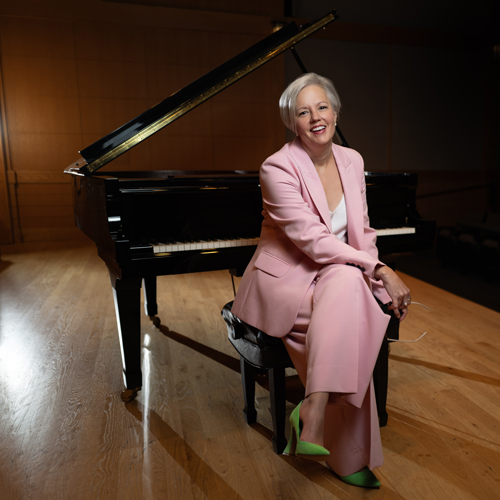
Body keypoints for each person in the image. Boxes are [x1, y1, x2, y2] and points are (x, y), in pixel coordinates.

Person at [231, 73, 411, 488]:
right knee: (352, 311)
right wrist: (380, 271)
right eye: (303, 111)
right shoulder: (276, 167)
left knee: (350, 291)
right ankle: (346, 458)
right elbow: (313, 242)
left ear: (336, 111)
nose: (316, 117)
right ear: (292, 123)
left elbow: (361, 234)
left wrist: (376, 279)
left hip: (337, 276)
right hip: (290, 280)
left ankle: (312, 409)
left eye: (322, 107)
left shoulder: (353, 160)